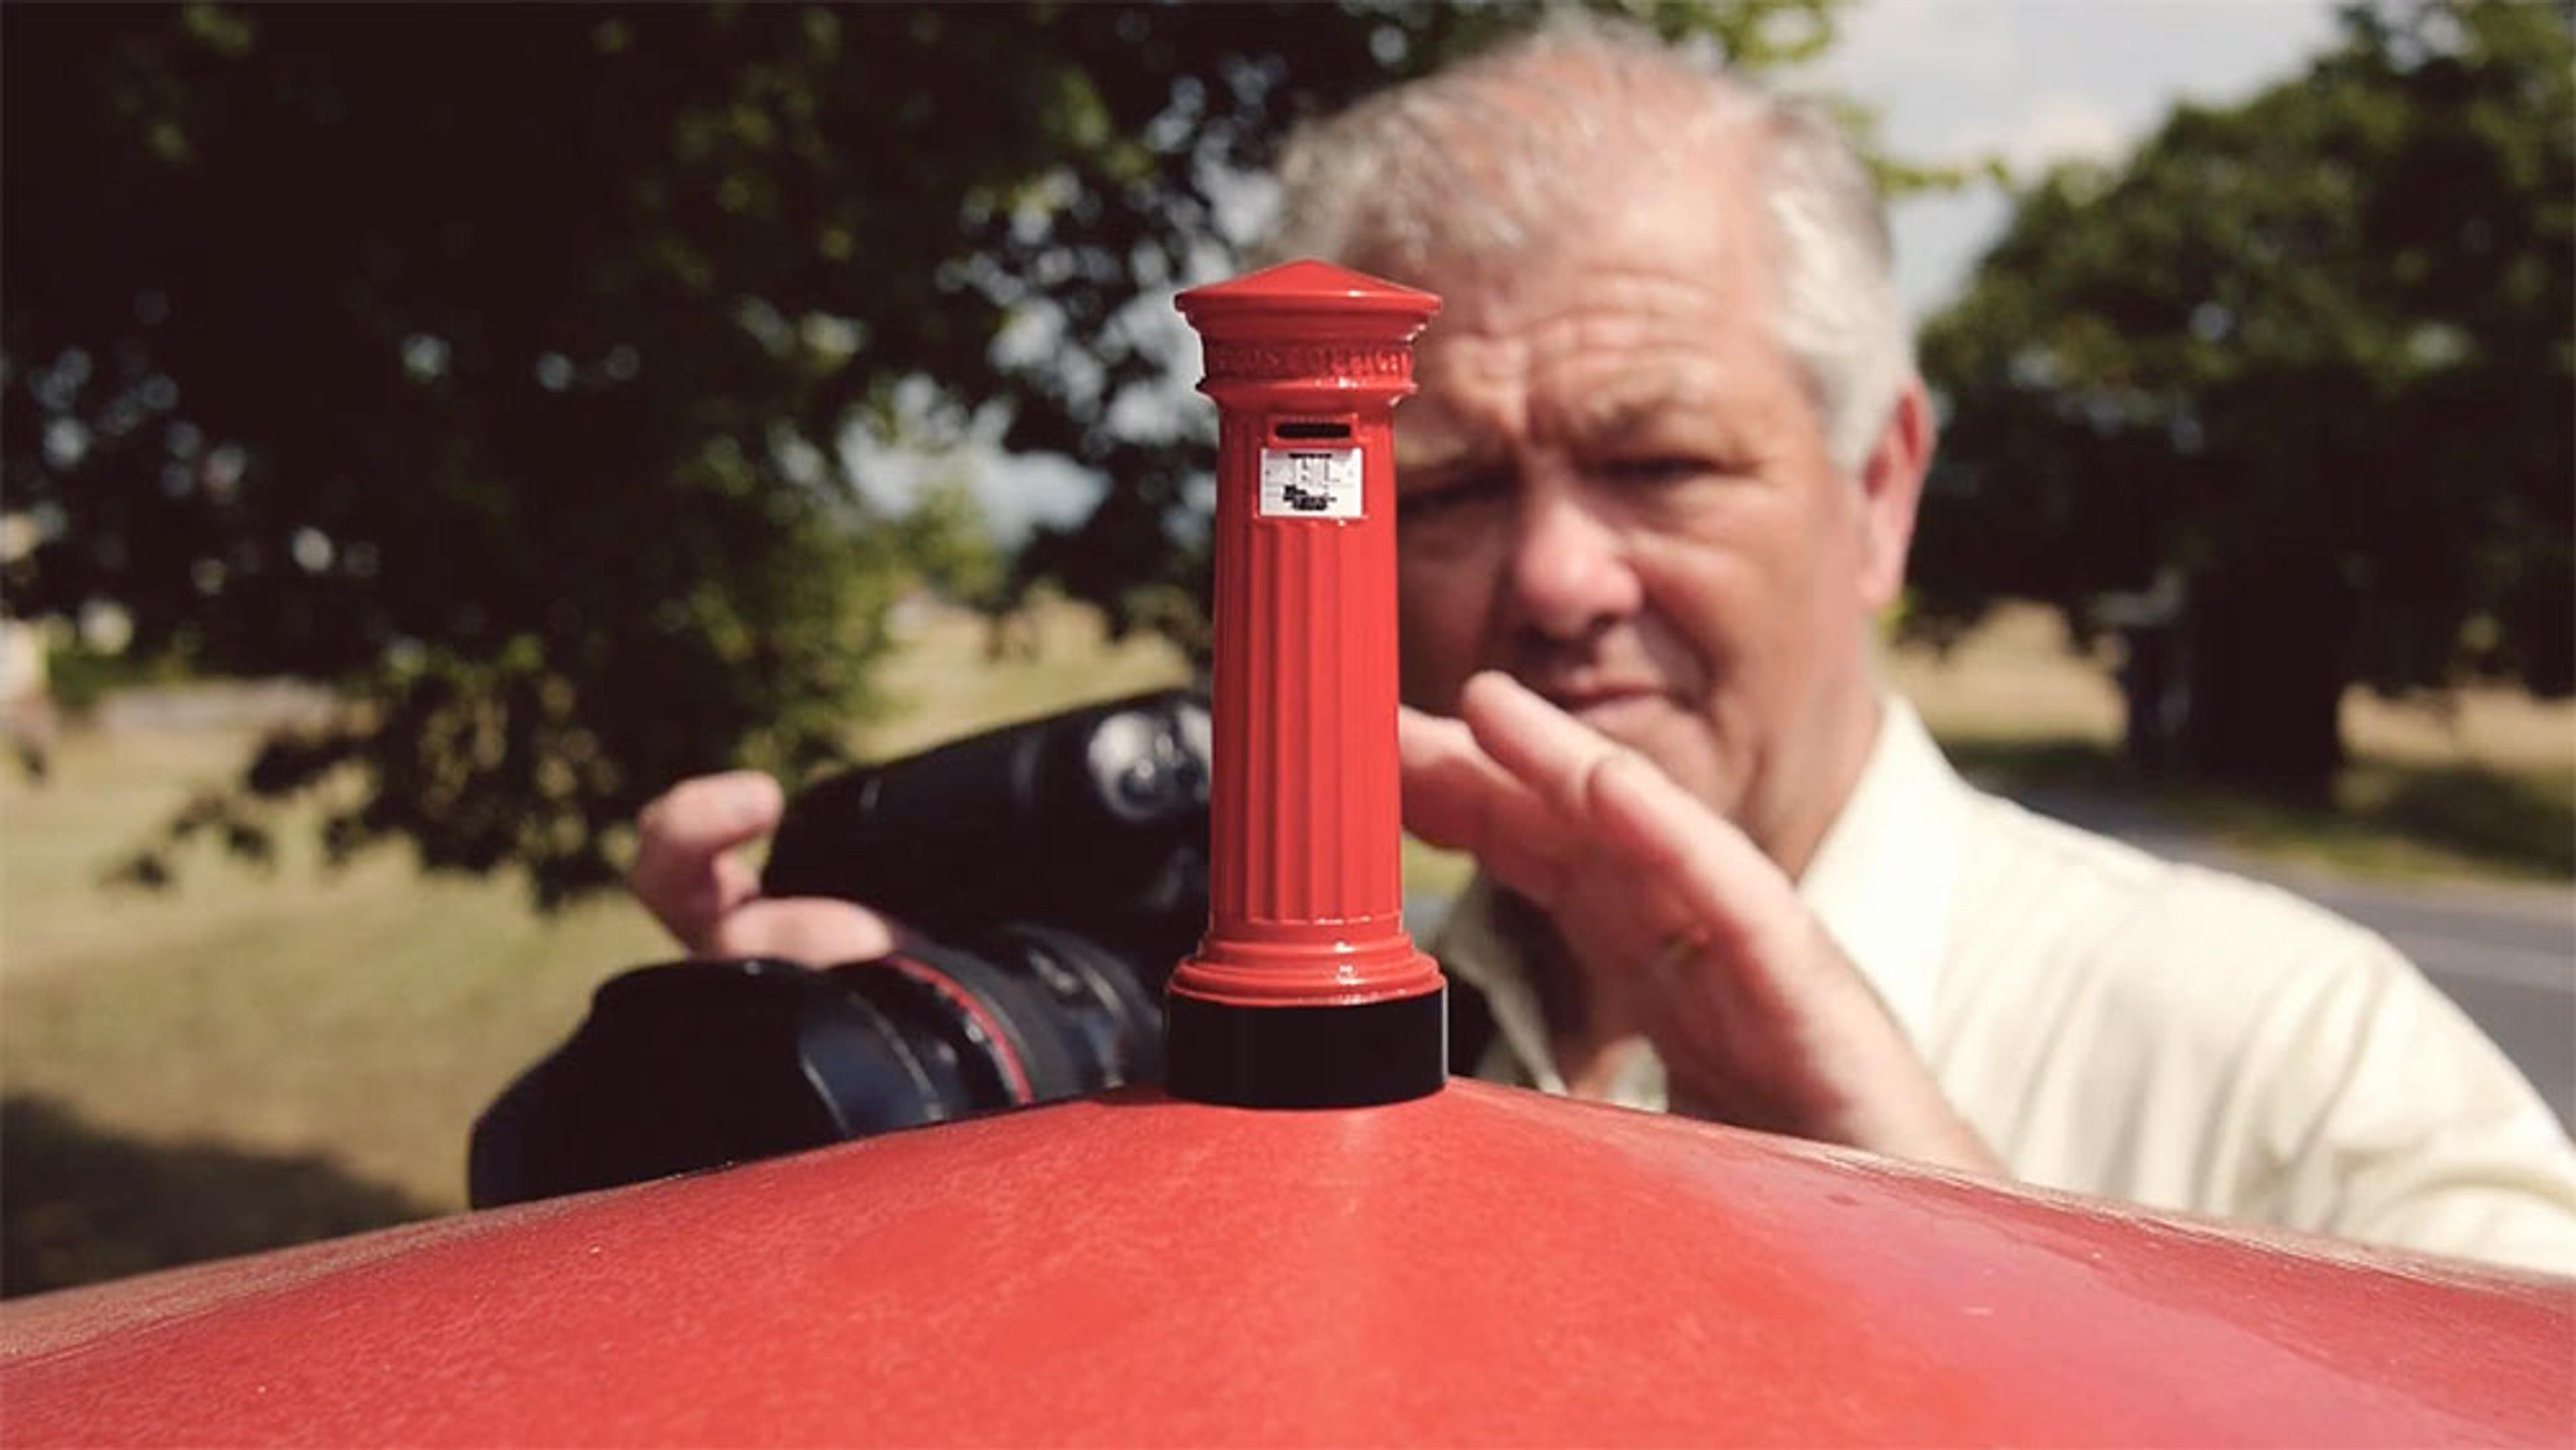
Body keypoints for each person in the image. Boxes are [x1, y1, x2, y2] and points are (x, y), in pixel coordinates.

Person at [627, 22, 2576, 1273]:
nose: (1556, 579)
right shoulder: (1195, 1051)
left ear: (1881, 485)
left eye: (1658, 460)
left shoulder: (2310, 1068)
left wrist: (1971, 1235)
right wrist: (872, 1156)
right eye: (1448, 487)